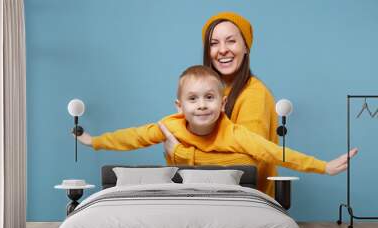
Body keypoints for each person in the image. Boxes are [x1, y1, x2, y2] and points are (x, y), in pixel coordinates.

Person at [76, 65, 357, 176]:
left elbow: (274, 152)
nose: (201, 106)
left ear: (222, 103)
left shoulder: (233, 133)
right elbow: (132, 137)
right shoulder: (169, 125)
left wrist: (323, 166)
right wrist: (94, 141)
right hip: (183, 184)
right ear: (180, 106)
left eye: (209, 98)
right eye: (193, 99)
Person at [162, 12, 280, 197]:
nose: (222, 50)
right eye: (214, 43)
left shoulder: (254, 94)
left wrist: (182, 154)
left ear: (246, 47)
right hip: (209, 200)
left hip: (245, 205)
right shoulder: (206, 94)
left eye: (231, 41)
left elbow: (246, 164)